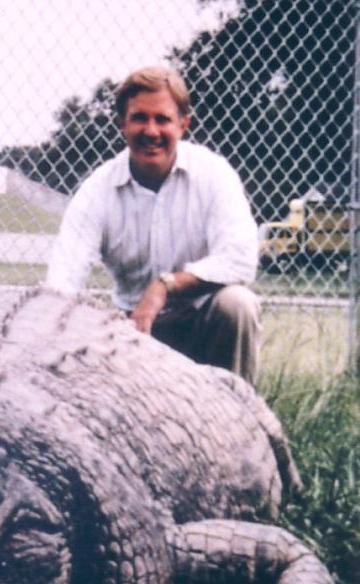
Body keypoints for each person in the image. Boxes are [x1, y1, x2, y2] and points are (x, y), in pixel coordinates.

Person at [46, 65, 261, 384]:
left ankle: (239, 421)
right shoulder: (97, 189)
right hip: (132, 331)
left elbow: (242, 259)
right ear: (121, 124)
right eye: (139, 118)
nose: (151, 131)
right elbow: (63, 279)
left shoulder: (214, 173)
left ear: (183, 125)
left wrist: (164, 286)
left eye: (162, 119)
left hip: (202, 325)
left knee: (238, 304)